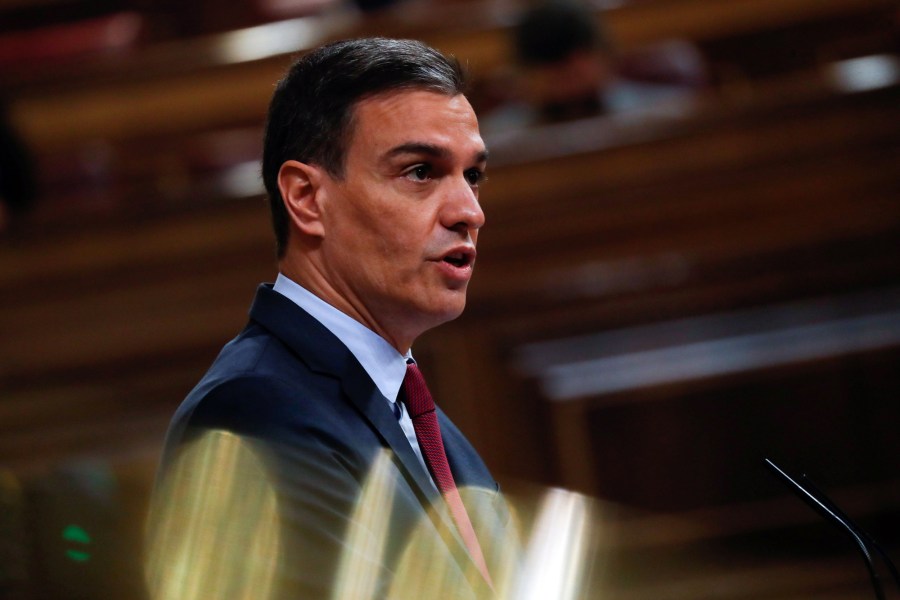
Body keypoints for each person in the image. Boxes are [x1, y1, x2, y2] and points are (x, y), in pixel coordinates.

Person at [144, 38, 517, 600]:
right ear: (306, 198)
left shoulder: (405, 405)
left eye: (473, 176)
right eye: (420, 171)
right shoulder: (256, 412)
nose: (470, 211)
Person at [480, 0, 706, 131]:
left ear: (607, 56)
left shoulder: (674, 117)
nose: (565, 81)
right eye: (553, 73)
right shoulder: (493, 146)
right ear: (519, 76)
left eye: (573, 69)